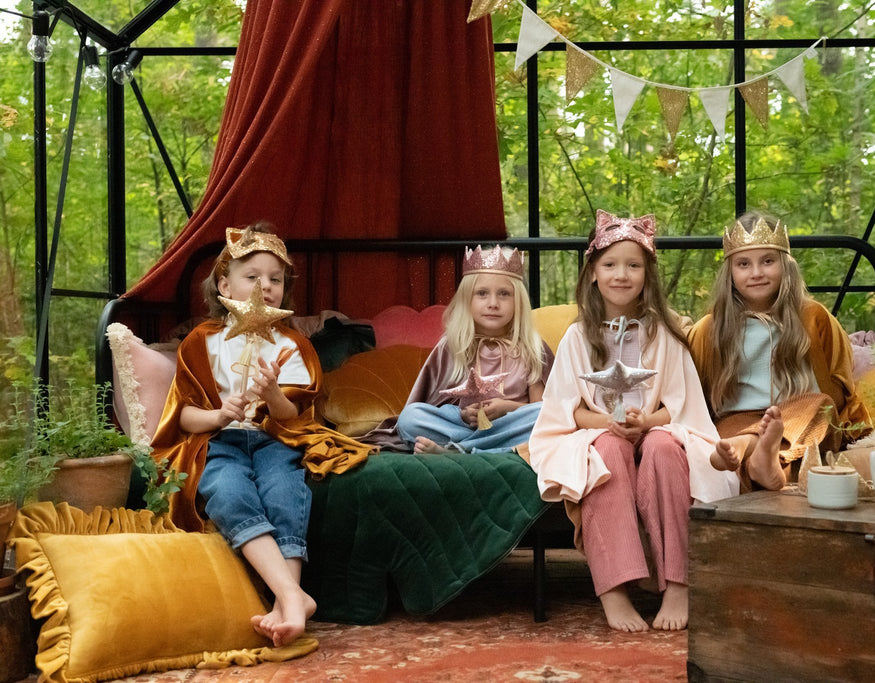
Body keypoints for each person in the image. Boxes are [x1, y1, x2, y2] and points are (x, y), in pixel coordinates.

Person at [151, 222, 374, 647]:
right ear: (224, 285)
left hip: (274, 439)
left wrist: (272, 393)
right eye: (252, 276)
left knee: (285, 491)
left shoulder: (291, 344)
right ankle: (292, 596)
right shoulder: (201, 342)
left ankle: (284, 603)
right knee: (228, 490)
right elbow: (184, 418)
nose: (264, 286)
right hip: (219, 442)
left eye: (275, 279)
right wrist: (218, 415)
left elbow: (294, 416)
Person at [529, 210, 739, 633]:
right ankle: (614, 589)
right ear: (593, 273)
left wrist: (646, 423)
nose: (621, 275)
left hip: (656, 429)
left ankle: (678, 583)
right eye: (610, 265)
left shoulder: (662, 333)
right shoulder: (577, 337)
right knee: (606, 453)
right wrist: (607, 423)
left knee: (663, 447)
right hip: (599, 431)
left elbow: (679, 405)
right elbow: (568, 410)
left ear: (647, 274)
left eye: (633, 266)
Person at [687, 210, 870, 493]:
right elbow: (695, 398)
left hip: (801, 418)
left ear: (785, 266)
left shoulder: (813, 317)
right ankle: (764, 461)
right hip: (737, 421)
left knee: (822, 405)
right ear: (730, 272)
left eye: (768, 261)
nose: (756, 273)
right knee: (729, 444)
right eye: (744, 264)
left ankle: (754, 448)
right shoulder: (710, 329)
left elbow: (838, 390)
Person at [395, 245, 553, 454]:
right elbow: (434, 403)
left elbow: (543, 409)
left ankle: (459, 451)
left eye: (504, 294)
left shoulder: (532, 346)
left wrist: (508, 408)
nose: (493, 303)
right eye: (482, 293)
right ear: (467, 299)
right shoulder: (453, 344)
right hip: (462, 428)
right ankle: (484, 449)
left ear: (519, 301)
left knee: (545, 415)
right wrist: (462, 415)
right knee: (410, 418)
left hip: (510, 427)